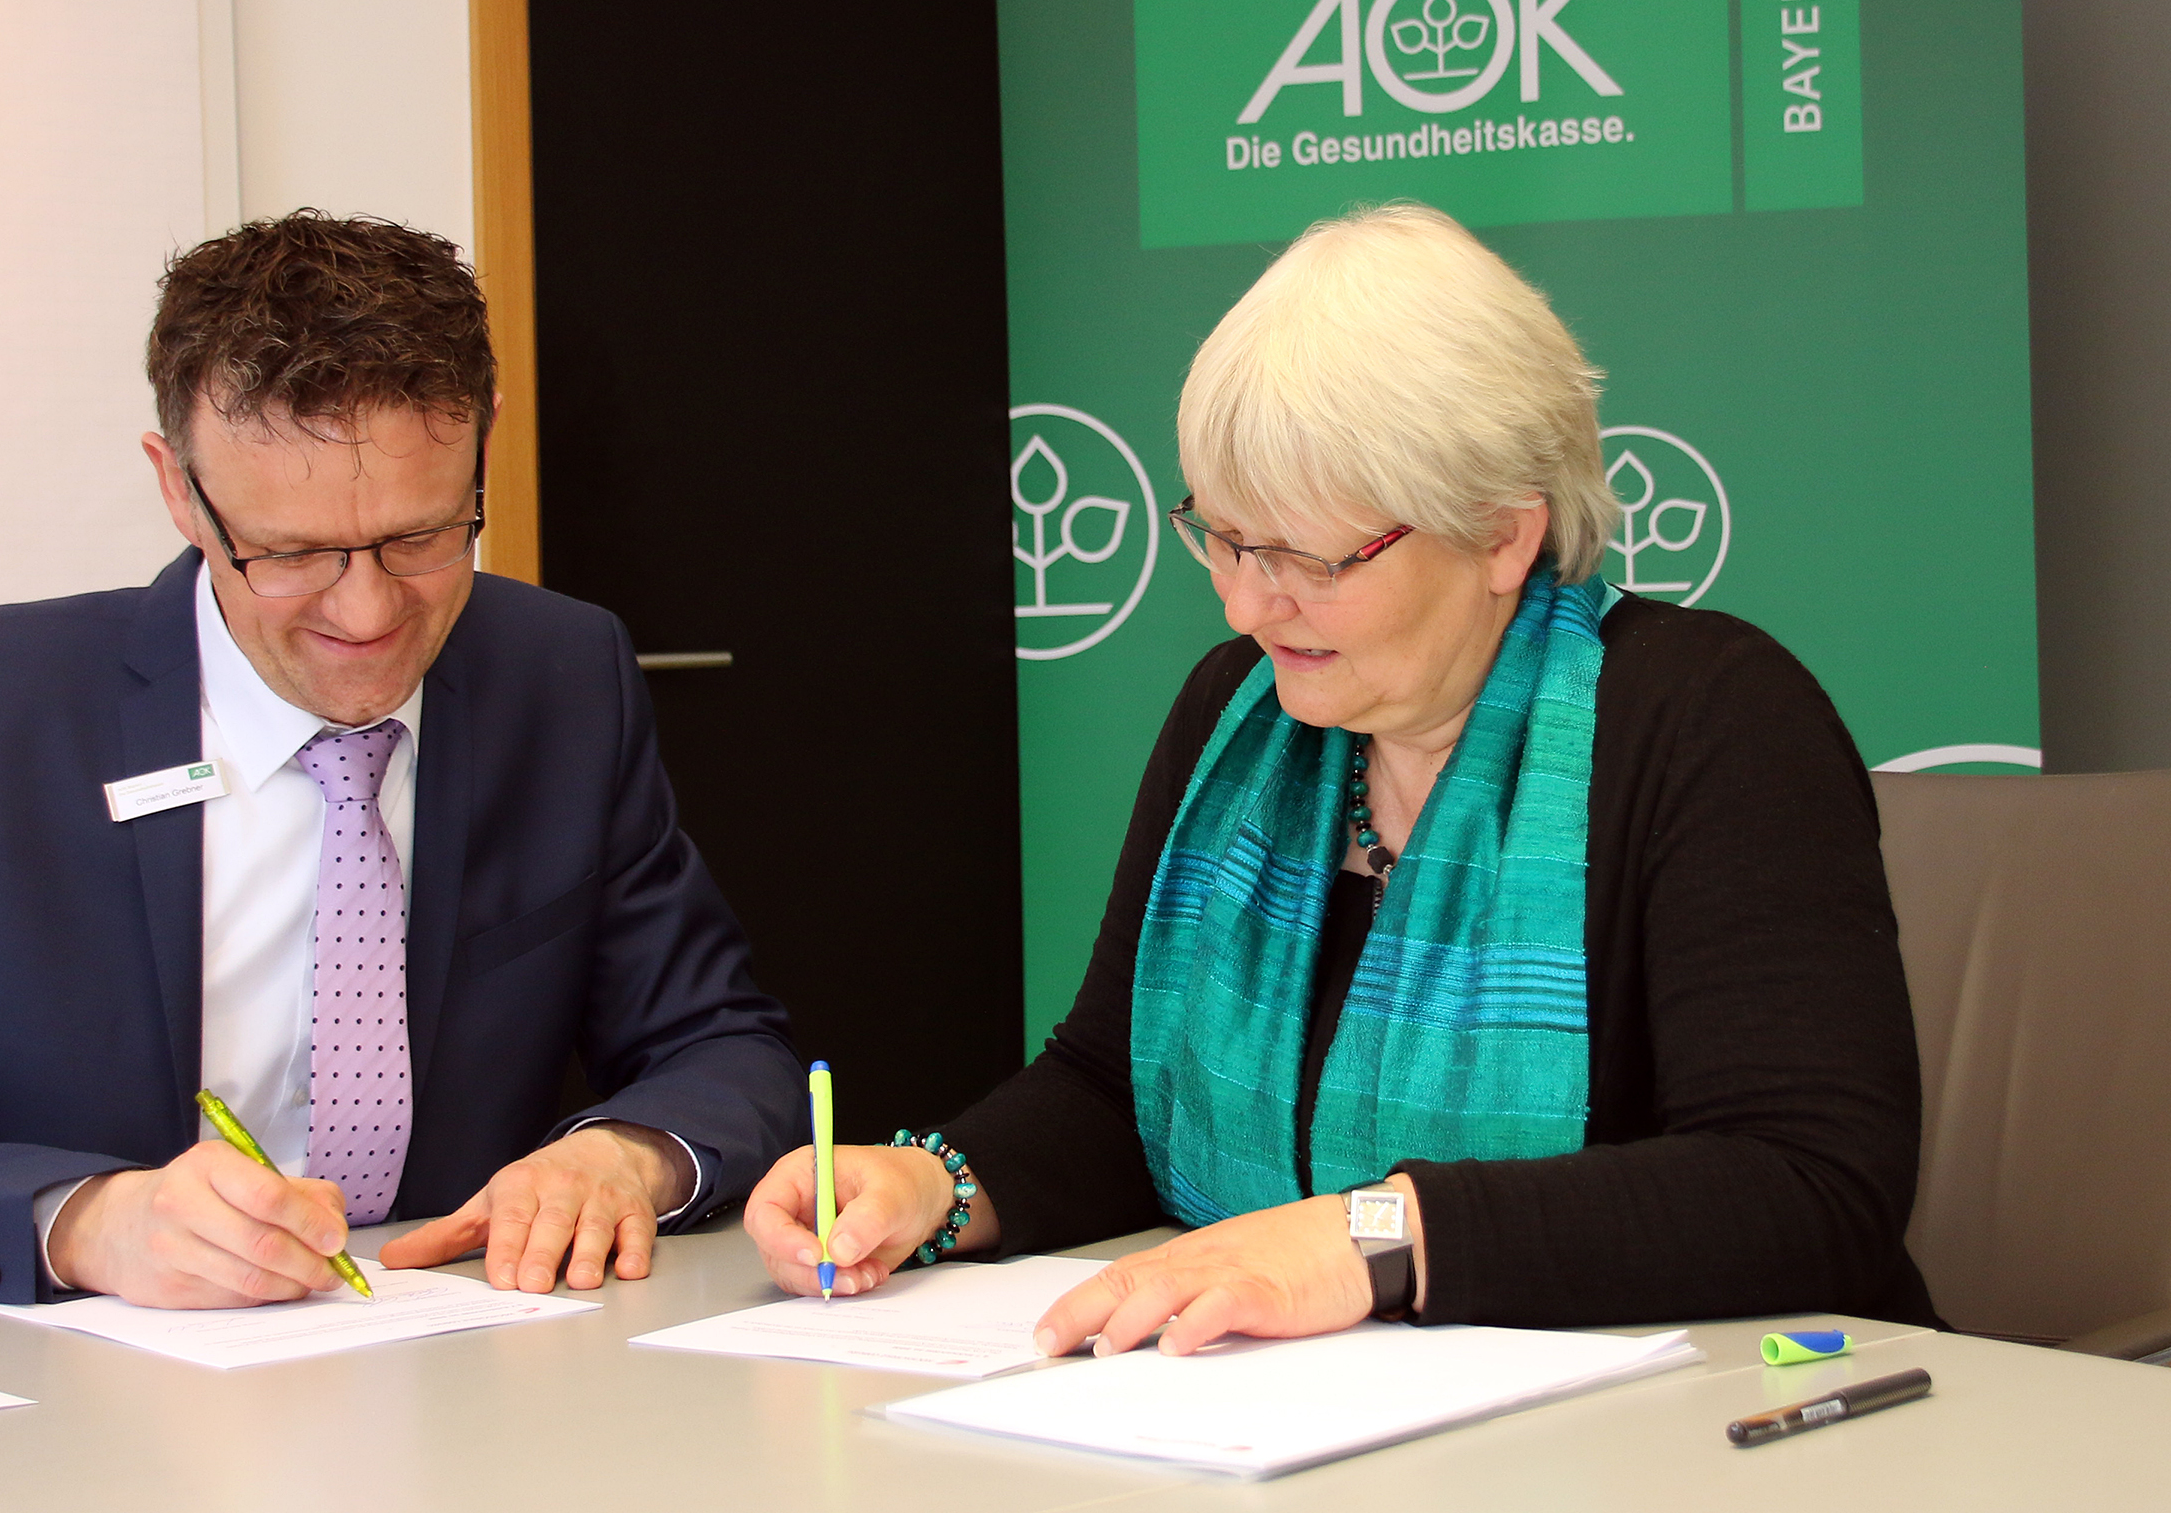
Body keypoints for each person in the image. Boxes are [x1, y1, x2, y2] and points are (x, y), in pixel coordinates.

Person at [746, 202, 1930, 1353]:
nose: (1247, 602)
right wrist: (932, 1180)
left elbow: (1805, 1182)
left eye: (1309, 556)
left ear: (1500, 535)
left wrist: (1367, 1237)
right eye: (1224, 536)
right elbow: (1119, 1090)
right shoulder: (1236, 712)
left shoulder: (1711, 720)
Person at [0, 211, 800, 1308]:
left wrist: (625, 1154)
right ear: (179, 488)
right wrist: (84, 1220)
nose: (366, 612)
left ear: (485, 448)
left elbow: (726, 1050)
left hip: (458, 1367)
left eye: (420, 535)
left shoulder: (559, 674)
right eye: (292, 552)